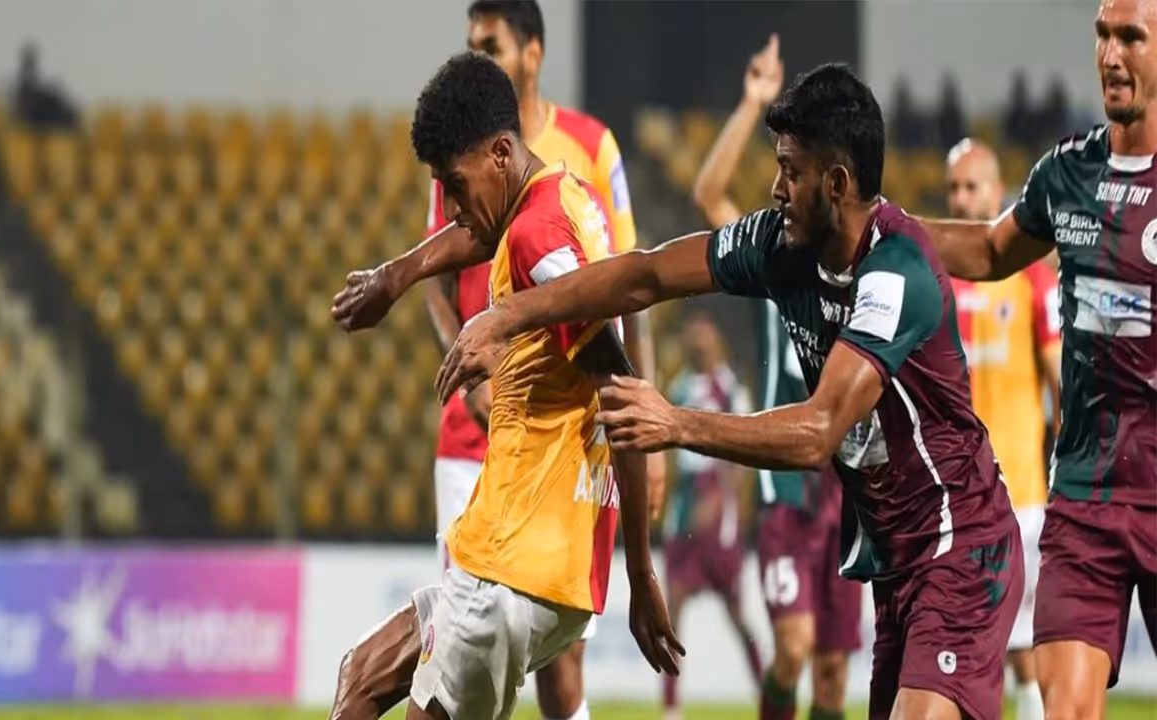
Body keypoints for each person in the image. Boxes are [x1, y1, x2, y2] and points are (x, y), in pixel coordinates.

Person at [437, 63, 1025, 720]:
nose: (774, 188)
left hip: (960, 546)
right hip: (896, 563)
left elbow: (817, 431)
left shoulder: (896, 272)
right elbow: (644, 275)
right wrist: (510, 315)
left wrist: (678, 423)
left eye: (790, 171)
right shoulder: (780, 245)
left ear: (837, 184)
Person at [327, 52, 682, 720]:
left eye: (455, 186)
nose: (453, 207)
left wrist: (643, 573)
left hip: (511, 569)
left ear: (498, 153)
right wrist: (396, 277)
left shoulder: (536, 240)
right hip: (525, 564)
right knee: (362, 678)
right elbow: (476, 237)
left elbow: (623, 395)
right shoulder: (560, 196)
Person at [921, 1, 1157, 717]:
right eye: (1102, 37)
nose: (1111, 56)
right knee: (1065, 705)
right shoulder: (1066, 173)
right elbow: (992, 250)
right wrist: (881, 229)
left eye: (1132, 38)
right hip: (1084, 495)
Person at [692, 36, 863, 720]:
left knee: (831, 678)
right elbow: (708, 193)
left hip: (846, 490)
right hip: (786, 486)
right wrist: (754, 103)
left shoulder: (868, 271)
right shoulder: (778, 256)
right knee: (791, 649)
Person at [942, 138, 1062, 720]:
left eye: (971, 187)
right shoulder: (933, 277)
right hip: (955, 496)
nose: (961, 200)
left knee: (1020, 654)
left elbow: (1062, 380)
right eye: (954, 189)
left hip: (1023, 495)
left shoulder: (1033, 278)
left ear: (996, 190)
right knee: (972, 651)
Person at [660, 310, 763, 720]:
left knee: (738, 615)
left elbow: (744, 457)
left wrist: (719, 500)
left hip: (718, 516)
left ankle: (765, 692)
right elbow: (665, 453)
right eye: (692, 333)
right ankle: (671, 708)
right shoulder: (679, 387)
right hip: (684, 507)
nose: (696, 340)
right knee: (671, 613)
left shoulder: (731, 390)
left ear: (715, 339)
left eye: (703, 332)